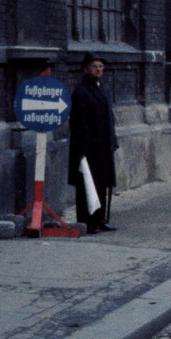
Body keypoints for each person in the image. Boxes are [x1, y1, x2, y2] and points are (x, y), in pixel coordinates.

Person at [68, 52, 119, 233]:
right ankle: (86, 220)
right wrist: (81, 149)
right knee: (86, 184)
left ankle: (100, 218)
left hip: (104, 146)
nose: (98, 69)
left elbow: (109, 117)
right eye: (94, 66)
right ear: (85, 69)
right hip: (89, 147)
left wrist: (114, 140)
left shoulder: (102, 89)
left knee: (102, 183)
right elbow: (79, 123)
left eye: (100, 66)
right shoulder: (81, 92)